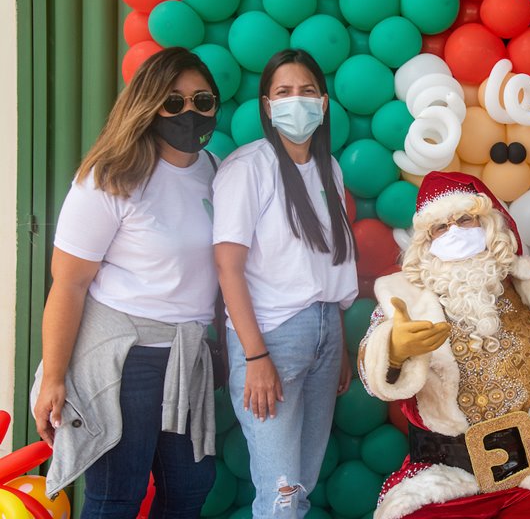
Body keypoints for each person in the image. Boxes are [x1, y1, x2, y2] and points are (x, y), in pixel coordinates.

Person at [31, 47, 221, 516]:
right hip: (127, 359)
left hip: (189, 357)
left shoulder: (217, 171)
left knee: (189, 489)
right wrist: (53, 377)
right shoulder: (110, 176)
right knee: (117, 494)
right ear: (147, 104)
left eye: (202, 100)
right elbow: (68, 283)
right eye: (173, 103)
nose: (189, 112)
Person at [359, 171, 530, 519]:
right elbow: (372, 377)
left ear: (490, 226)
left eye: (464, 219)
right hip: (443, 475)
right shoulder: (403, 299)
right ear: (425, 244)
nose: (454, 232)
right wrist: (393, 351)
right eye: (440, 228)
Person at [212, 48, 357, 518]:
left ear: (325, 102)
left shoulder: (328, 169)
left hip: (323, 331)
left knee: (302, 484)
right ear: (267, 105)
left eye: (307, 91)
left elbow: (326, 264)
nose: (297, 101)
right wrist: (255, 357)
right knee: (280, 494)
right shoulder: (248, 167)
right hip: (272, 336)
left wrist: (337, 342)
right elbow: (227, 267)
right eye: (284, 92)